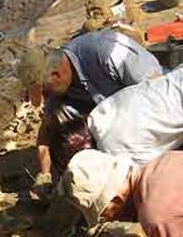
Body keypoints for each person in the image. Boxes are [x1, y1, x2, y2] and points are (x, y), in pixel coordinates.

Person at [17, 30, 162, 182]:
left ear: (56, 75)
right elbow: (47, 129)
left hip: (150, 107)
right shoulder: (57, 86)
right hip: (112, 114)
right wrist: (45, 175)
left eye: (45, 91)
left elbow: (158, 92)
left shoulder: (106, 52)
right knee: (63, 125)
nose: (46, 96)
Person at [58, 149, 183, 237]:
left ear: (115, 200)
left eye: (105, 215)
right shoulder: (165, 160)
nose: (113, 220)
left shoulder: (157, 216)